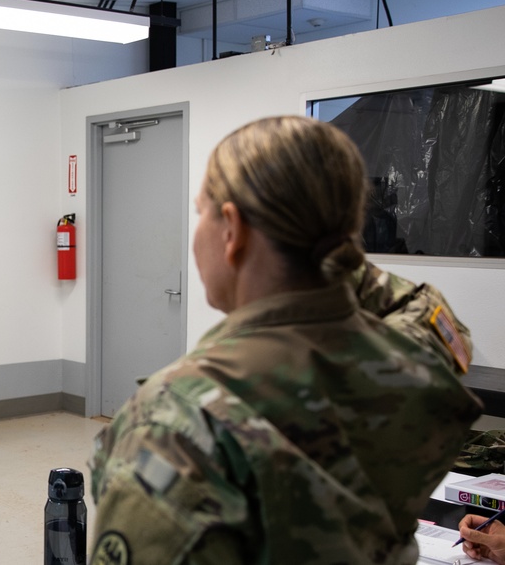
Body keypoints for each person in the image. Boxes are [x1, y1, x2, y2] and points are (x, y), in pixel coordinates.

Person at [88, 115, 482, 565]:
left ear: (231, 230)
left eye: (202, 212)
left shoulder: (176, 422)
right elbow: (425, 311)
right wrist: (324, 242)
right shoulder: (412, 358)